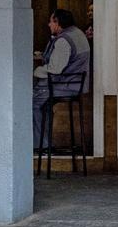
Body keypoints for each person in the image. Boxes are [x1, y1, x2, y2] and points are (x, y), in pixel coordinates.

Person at [33, 8, 90, 150]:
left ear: (57, 22)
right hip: (76, 84)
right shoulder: (78, 33)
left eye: (51, 21)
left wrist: (35, 71)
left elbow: (55, 69)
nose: (49, 25)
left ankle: (40, 146)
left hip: (65, 85)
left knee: (29, 104)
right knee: (43, 105)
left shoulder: (64, 40)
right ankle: (44, 144)